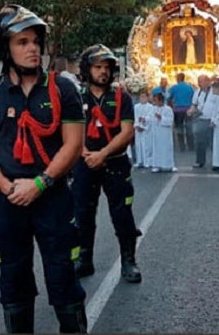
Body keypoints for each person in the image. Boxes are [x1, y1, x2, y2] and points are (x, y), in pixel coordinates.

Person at [0, 5, 87, 333]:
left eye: (36, 40)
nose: (33, 48)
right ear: (5, 48)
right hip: (7, 202)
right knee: (13, 281)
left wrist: (41, 183)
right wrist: (8, 188)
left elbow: (73, 144)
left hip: (53, 197)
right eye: (22, 42)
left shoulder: (63, 89)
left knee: (64, 278)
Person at [72, 44, 142, 284]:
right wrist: (84, 153)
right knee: (83, 214)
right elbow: (69, 130)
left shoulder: (122, 97)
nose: (102, 72)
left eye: (106, 67)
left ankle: (129, 261)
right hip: (84, 164)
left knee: (122, 214)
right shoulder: (76, 97)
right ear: (87, 69)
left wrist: (102, 154)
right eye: (97, 67)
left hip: (115, 164)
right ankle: (85, 259)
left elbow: (127, 132)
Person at [189, 75, 215, 168]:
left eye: (202, 81)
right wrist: (191, 110)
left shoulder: (213, 92)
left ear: (208, 82)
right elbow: (194, 104)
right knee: (199, 141)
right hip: (200, 119)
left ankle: (216, 161)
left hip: (212, 119)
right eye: (199, 82)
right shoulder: (197, 92)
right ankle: (200, 161)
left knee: (213, 142)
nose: (200, 84)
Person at [149, 93, 176, 173]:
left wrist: (161, 118)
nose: (155, 102)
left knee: (166, 149)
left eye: (156, 101)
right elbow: (150, 118)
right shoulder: (153, 108)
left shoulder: (168, 109)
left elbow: (170, 121)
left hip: (165, 133)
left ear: (161, 101)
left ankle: (169, 165)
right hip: (156, 132)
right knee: (156, 148)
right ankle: (156, 165)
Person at [133, 92, 154, 168]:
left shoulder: (150, 107)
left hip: (146, 129)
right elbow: (136, 117)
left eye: (144, 96)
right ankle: (139, 161)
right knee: (138, 145)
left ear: (147, 98)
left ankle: (147, 161)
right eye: (141, 97)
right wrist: (137, 125)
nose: (142, 98)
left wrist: (144, 125)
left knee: (147, 145)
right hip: (138, 129)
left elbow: (150, 117)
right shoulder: (136, 106)